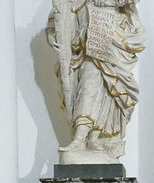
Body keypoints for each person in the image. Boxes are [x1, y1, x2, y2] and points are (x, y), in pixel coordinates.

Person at [47, 0, 146, 161]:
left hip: (111, 33)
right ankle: (80, 138)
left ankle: (93, 137)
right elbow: (61, 13)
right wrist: (54, 36)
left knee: (108, 89)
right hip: (88, 36)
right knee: (89, 82)